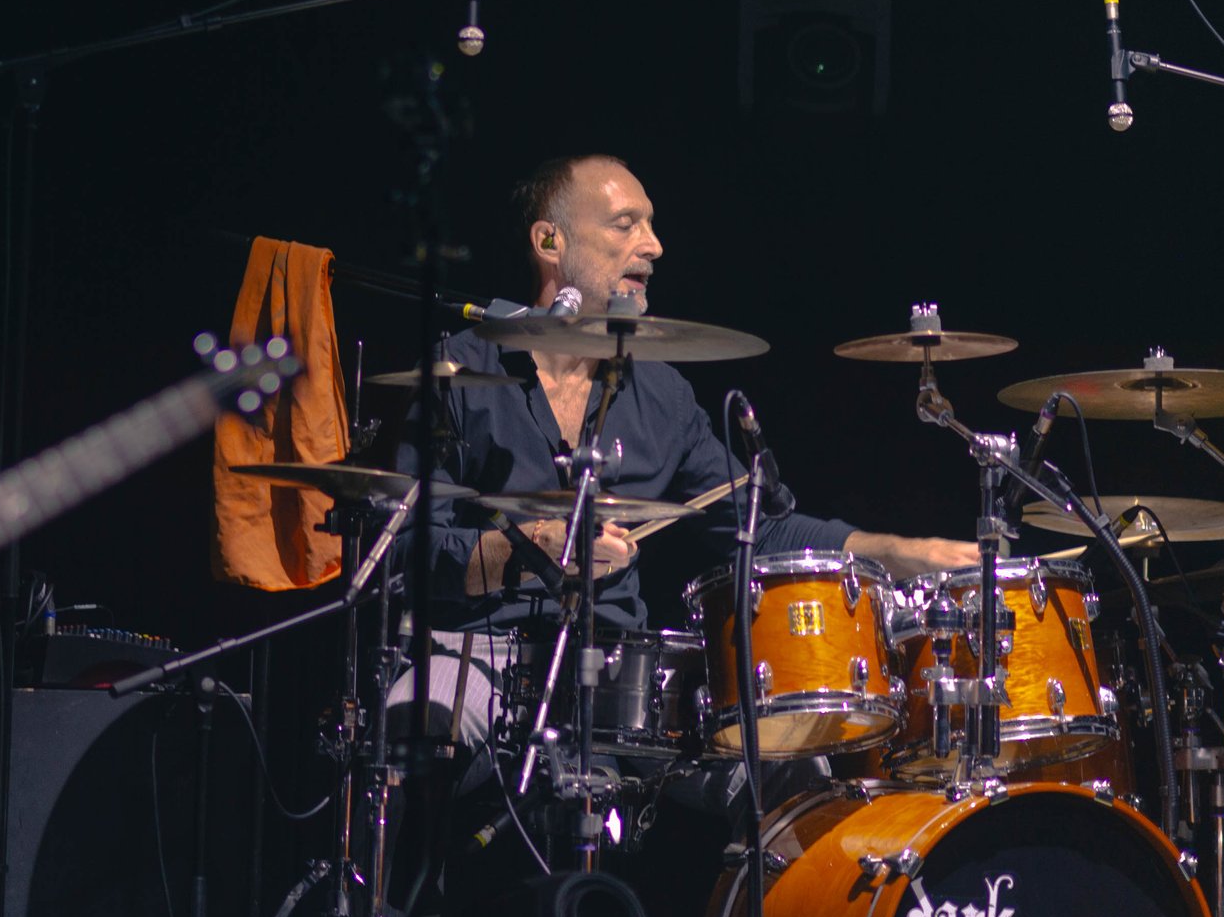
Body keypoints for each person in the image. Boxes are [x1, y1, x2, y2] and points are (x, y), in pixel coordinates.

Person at [407, 152, 975, 642]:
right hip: (473, 663)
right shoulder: (457, 373)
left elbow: (765, 530)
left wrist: (904, 553)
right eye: (625, 224)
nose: (653, 246)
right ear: (549, 241)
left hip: (613, 681)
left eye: (650, 226)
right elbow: (400, 557)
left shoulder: (662, 394)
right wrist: (530, 548)